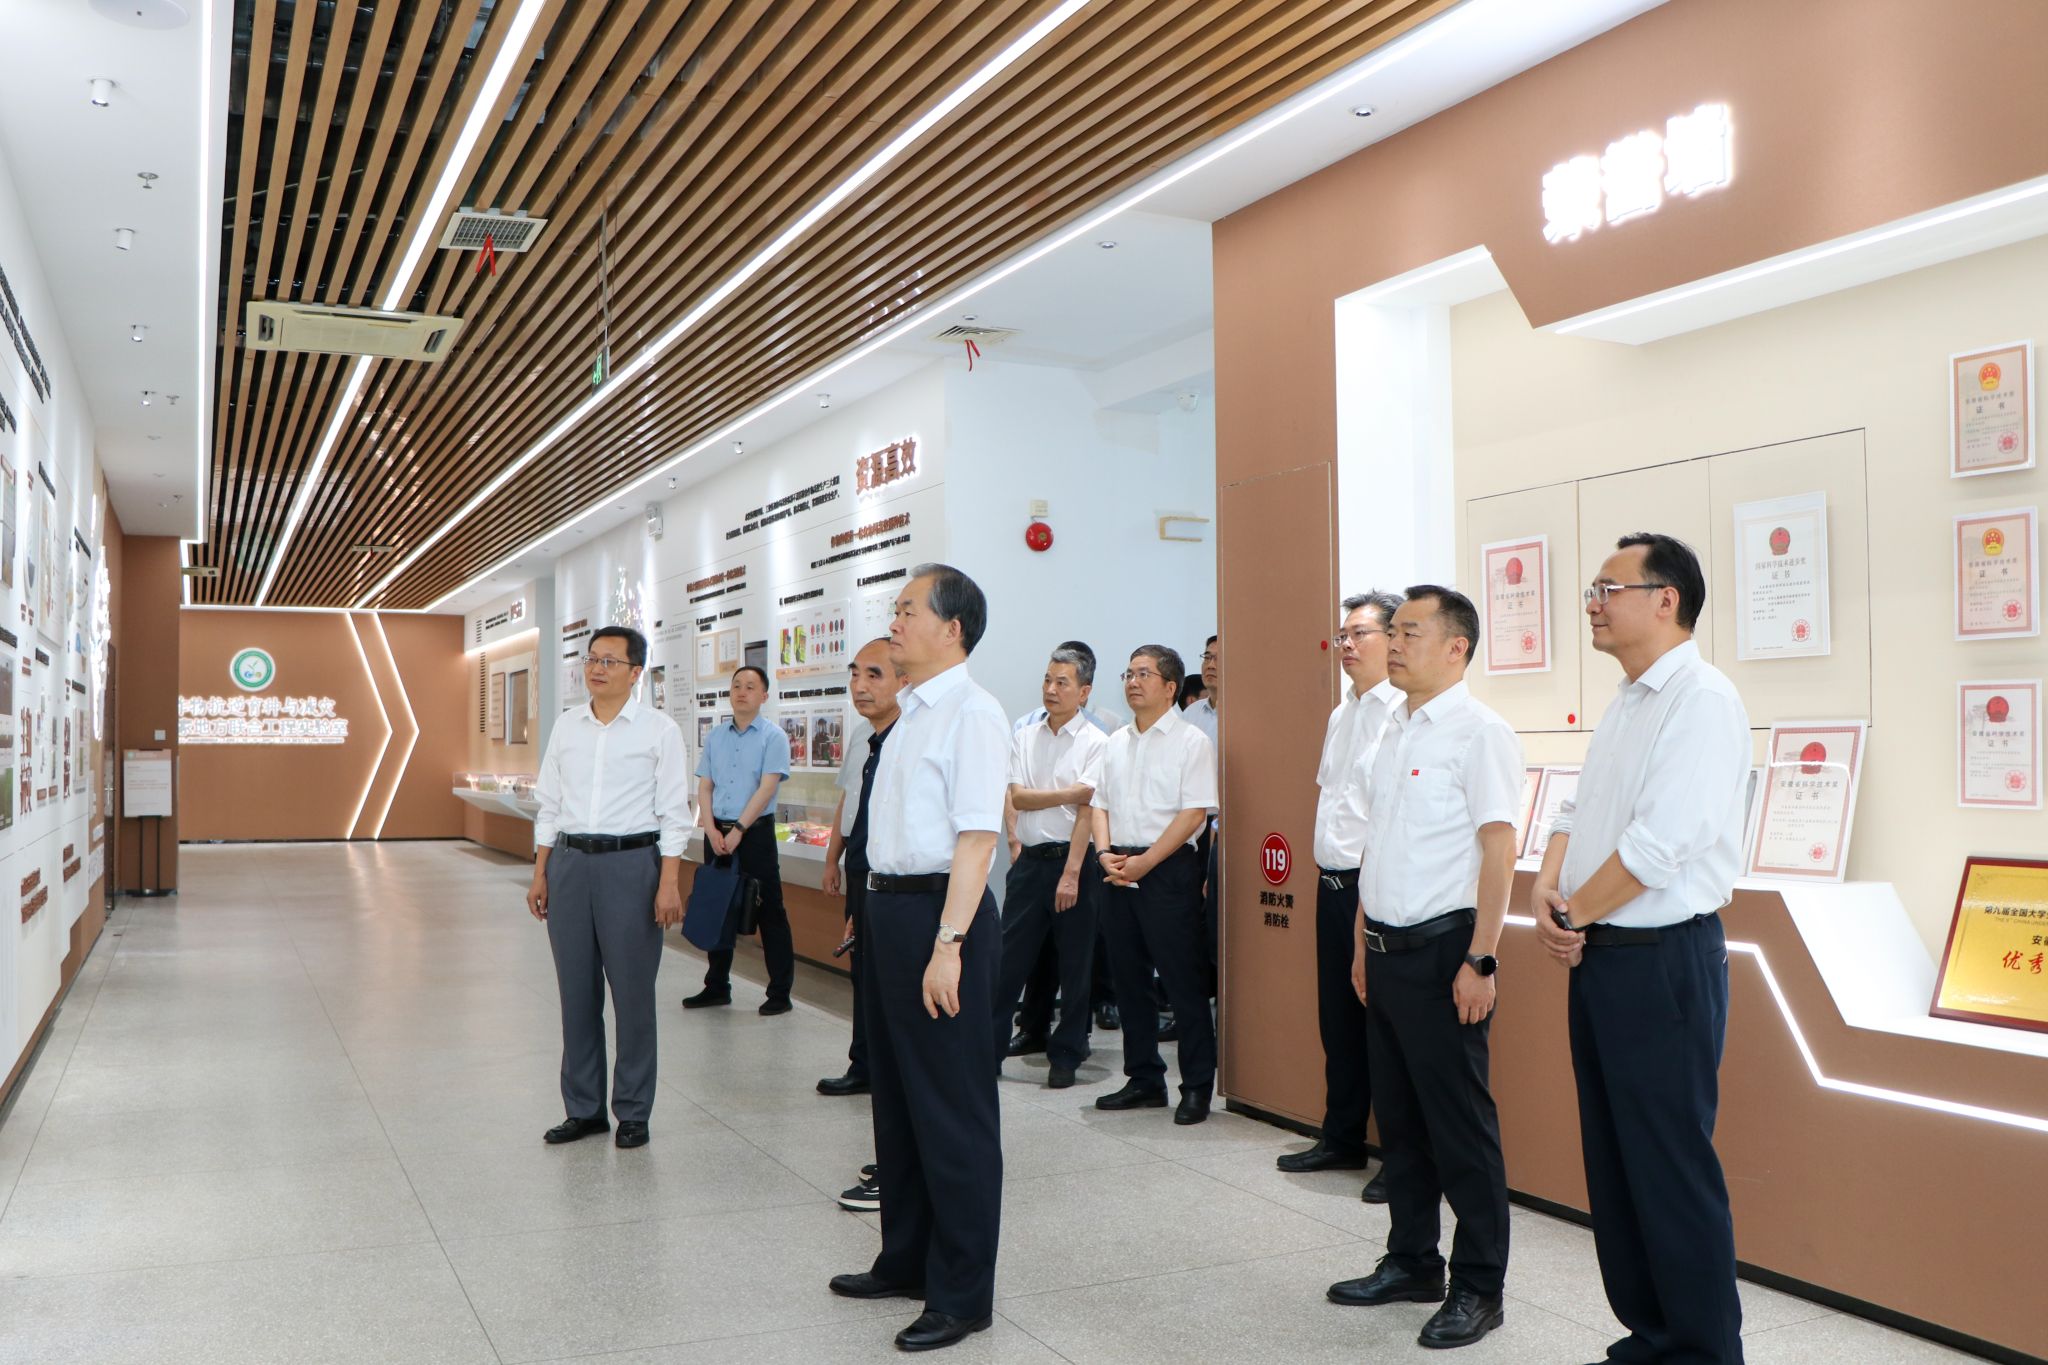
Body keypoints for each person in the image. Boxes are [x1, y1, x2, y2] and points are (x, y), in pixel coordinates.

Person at [1532, 534, 1750, 1365]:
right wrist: (1548, 885)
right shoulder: (1629, 699)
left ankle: (1701, 1352)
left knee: (1669, 1165)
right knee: (1617, 1161)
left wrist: (1574, 912)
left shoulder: (1702, 699)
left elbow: (1664, 842)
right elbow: (1580, 810)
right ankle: (1652, 1338)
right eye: (1593, 588)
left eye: (1609, 587)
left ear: (1667, 599)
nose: (1594, 602)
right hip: (1605, 951)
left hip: (1661, 959)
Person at [1327, 585, 1520, 1351]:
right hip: (1383, 949)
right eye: (1395, 631)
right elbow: (1377, 843)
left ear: (1456, 647)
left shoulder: (1480, 733)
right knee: (1400, 1121)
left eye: (1410, 631)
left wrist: (1482, 956)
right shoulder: (1394, 728)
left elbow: (1499, 850)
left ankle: (1479, 1285)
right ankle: (1411, 1259)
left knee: (1460, 1127)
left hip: (1446, 953)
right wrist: (1360, 942)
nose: (1395, 643)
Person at [827, 564, 1008, 1353]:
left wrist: (948, 945)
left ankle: (962, 1293)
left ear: (952, 628)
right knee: (897, 1100)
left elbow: (977, 839)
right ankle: (905, 1259)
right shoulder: (909, 716)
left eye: (907, 610)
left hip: (943, 916)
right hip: (891, 911)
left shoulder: (974, 713)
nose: (894, 622)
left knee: (952, 1110)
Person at [527, 625, 690, 1150]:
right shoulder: (567, 726)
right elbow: (549, 805)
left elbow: (674, 814)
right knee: (576, 995)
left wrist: (668, 883)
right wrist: (541, 871)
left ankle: (634, 1111)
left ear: (635, 672)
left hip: (631, 866)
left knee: (633, 996)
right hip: (570, 865)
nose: (596, 669)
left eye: (610, 661)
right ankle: (584, 1109)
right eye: (592, 659)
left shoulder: (659, 731)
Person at [1277, 591, 1402, 1207]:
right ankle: (1343, 1136)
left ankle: (1402, 1161)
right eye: (1342, 634)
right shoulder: (1342, 712)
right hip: (1330, 884)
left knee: (1385, 1027)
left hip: (1372, 890)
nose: (1346, 644)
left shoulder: (1402, 714)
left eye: (1360, 633)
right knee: (1339, 1021)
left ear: (1394, 639)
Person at [1089, 645, 1219, 1124]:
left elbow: (1193, 815)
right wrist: (1103, 853)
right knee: (1129, 981)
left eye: (1144, 674)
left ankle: (1197, 1086)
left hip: (1166, 869)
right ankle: (1144, 1078)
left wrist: (1146, 862)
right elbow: (1098, 804)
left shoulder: (1191, 742)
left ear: (1169, 687)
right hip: (1117, 867)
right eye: (1128, 673)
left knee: (1182, 982)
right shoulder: (1115, 742)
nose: (1132, 682)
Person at [994, 646, 1108, 1089]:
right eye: (1047, 679)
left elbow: (1088, 812)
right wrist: (1069, 793)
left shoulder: (1097, 742)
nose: (1051, 689)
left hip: (1073, 864)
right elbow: (1019, 797)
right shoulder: (1025, 735)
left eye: (1062, 682)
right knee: (1007, 962)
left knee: (1076, 966)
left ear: (1084, 691)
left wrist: (1072, 874)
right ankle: (987, 1050)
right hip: (1029, 864)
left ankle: (1066, 1054)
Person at [817, 638, 906, 1100]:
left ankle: (890, 1068)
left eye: (873, 675)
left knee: (889, 974)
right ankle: (864, 1063)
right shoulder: (861, 735)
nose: (860, 686)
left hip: (892, 871)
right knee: (862, 968)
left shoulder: (910, 737)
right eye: (855, 674)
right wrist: (832, 857)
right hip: (859, 864)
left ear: (904, 680)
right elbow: (848, 800)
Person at [685, 665, 794, 1014]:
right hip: (717, 832)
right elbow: (705, 786)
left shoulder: (773, 737)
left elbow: (767, 788)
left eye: (750, 686)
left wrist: (739, 831)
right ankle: (717, 986)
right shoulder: (716, 736)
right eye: (736, 686)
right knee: (717, 906)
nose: (741, 692)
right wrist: (710, 829)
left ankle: (780, 993)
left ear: (764, 696)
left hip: (754, 833)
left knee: (770, 909)